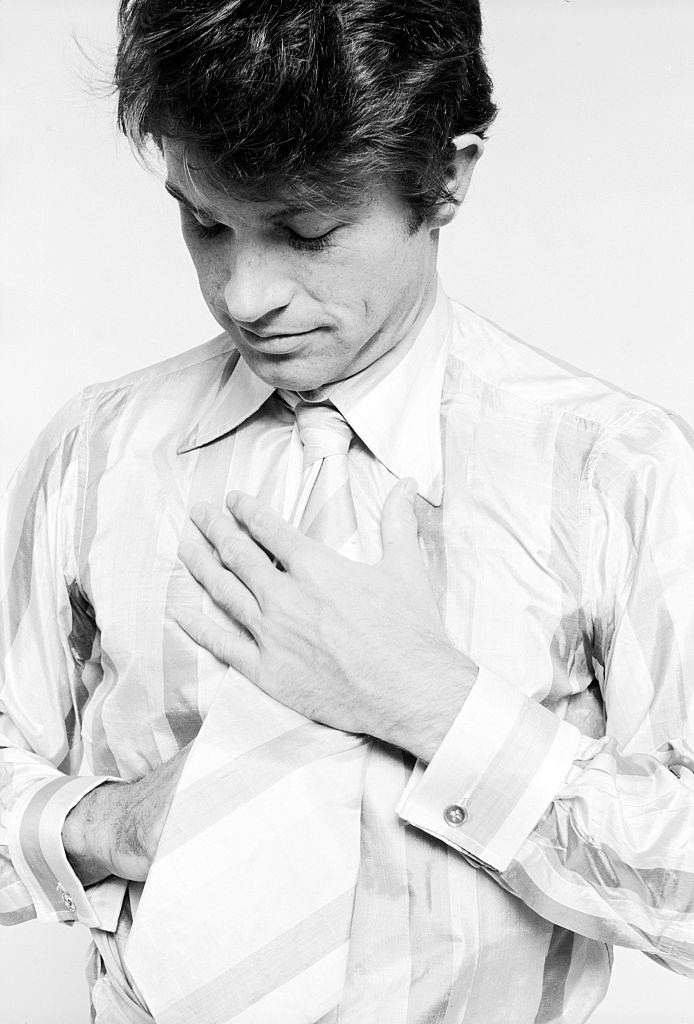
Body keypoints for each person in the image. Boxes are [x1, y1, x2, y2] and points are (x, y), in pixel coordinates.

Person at [2, 1, 694, 1021]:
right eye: (203, 221)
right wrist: (105, 825)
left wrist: (430, 702)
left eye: (305, 229)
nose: (243, 293)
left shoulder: (611, 473)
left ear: (447, 178)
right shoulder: (98, 454)